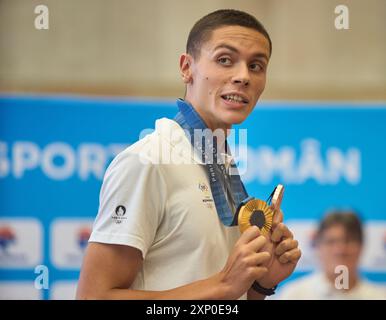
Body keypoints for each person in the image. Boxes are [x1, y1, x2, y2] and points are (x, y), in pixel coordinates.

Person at [76, 9, 301, 300]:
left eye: (256, 66)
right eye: (225, 60)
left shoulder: (221, 162)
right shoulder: (149, 161)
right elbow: (92, 297)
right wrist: (223, 284)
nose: (243, 76)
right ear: (186, 68)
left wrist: (259, 285)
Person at [277, 210, 386, 299]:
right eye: (331, 241)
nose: (340, 250)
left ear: (361, 245)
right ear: (318, 246)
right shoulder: (294, 295)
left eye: (348, 241)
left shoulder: (380, 296)